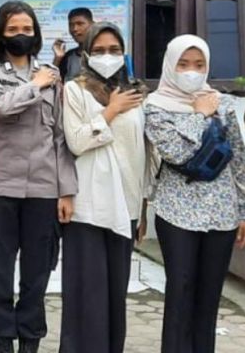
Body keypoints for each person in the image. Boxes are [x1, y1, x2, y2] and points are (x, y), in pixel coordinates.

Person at [0, 1, 77, 353]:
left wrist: (67, 192)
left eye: (27, 30)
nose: (21, 35)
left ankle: (30, 344)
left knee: (37, 277)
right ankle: (2, 344)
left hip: (43, 191)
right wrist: (35, 84)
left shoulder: (52, 75)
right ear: (1, 34)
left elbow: (61, 137)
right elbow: (0, 107)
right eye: (13, 29)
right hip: (0, 189)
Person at [144, 35, 245, 353]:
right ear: (170, 65)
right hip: (176, 211)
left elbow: (239, 159)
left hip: (221, 214)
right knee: (181, 290)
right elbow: (176, 152)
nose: (191, 71)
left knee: (209, 296)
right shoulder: (155, 106)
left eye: (199, 64)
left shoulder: (224, 103)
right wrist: (200, 115)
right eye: (183, 64)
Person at [60, 21, 150, 353]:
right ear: (85, 54)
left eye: (114, 50)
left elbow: (142, 152)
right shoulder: (75, 90)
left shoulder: (137, 93)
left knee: (115, 293)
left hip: (125, 206)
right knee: (87, 292)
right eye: (99, 50)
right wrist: (110, 111)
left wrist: (142, 206)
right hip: (88, 205)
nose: (107, 56)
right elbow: (77, 141)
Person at [53, 7, 93, 82]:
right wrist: (57, 59)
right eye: (71, 25)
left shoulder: (102, 54)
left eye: (80, 24)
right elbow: (51, 83)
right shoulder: (68, 57)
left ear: (92, 25)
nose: (75, 29)